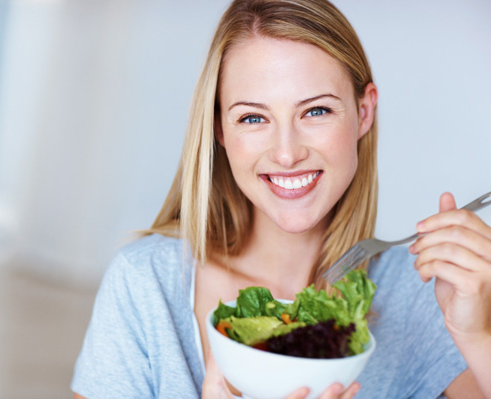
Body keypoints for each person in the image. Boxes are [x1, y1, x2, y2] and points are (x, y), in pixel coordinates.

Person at [71, 0, 491, 398]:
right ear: (220, 130)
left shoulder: (425, 294)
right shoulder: (146, 284)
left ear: (364, 112)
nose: (287, 153)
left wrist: (478, 335)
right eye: (253, 118)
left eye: (315, 111)